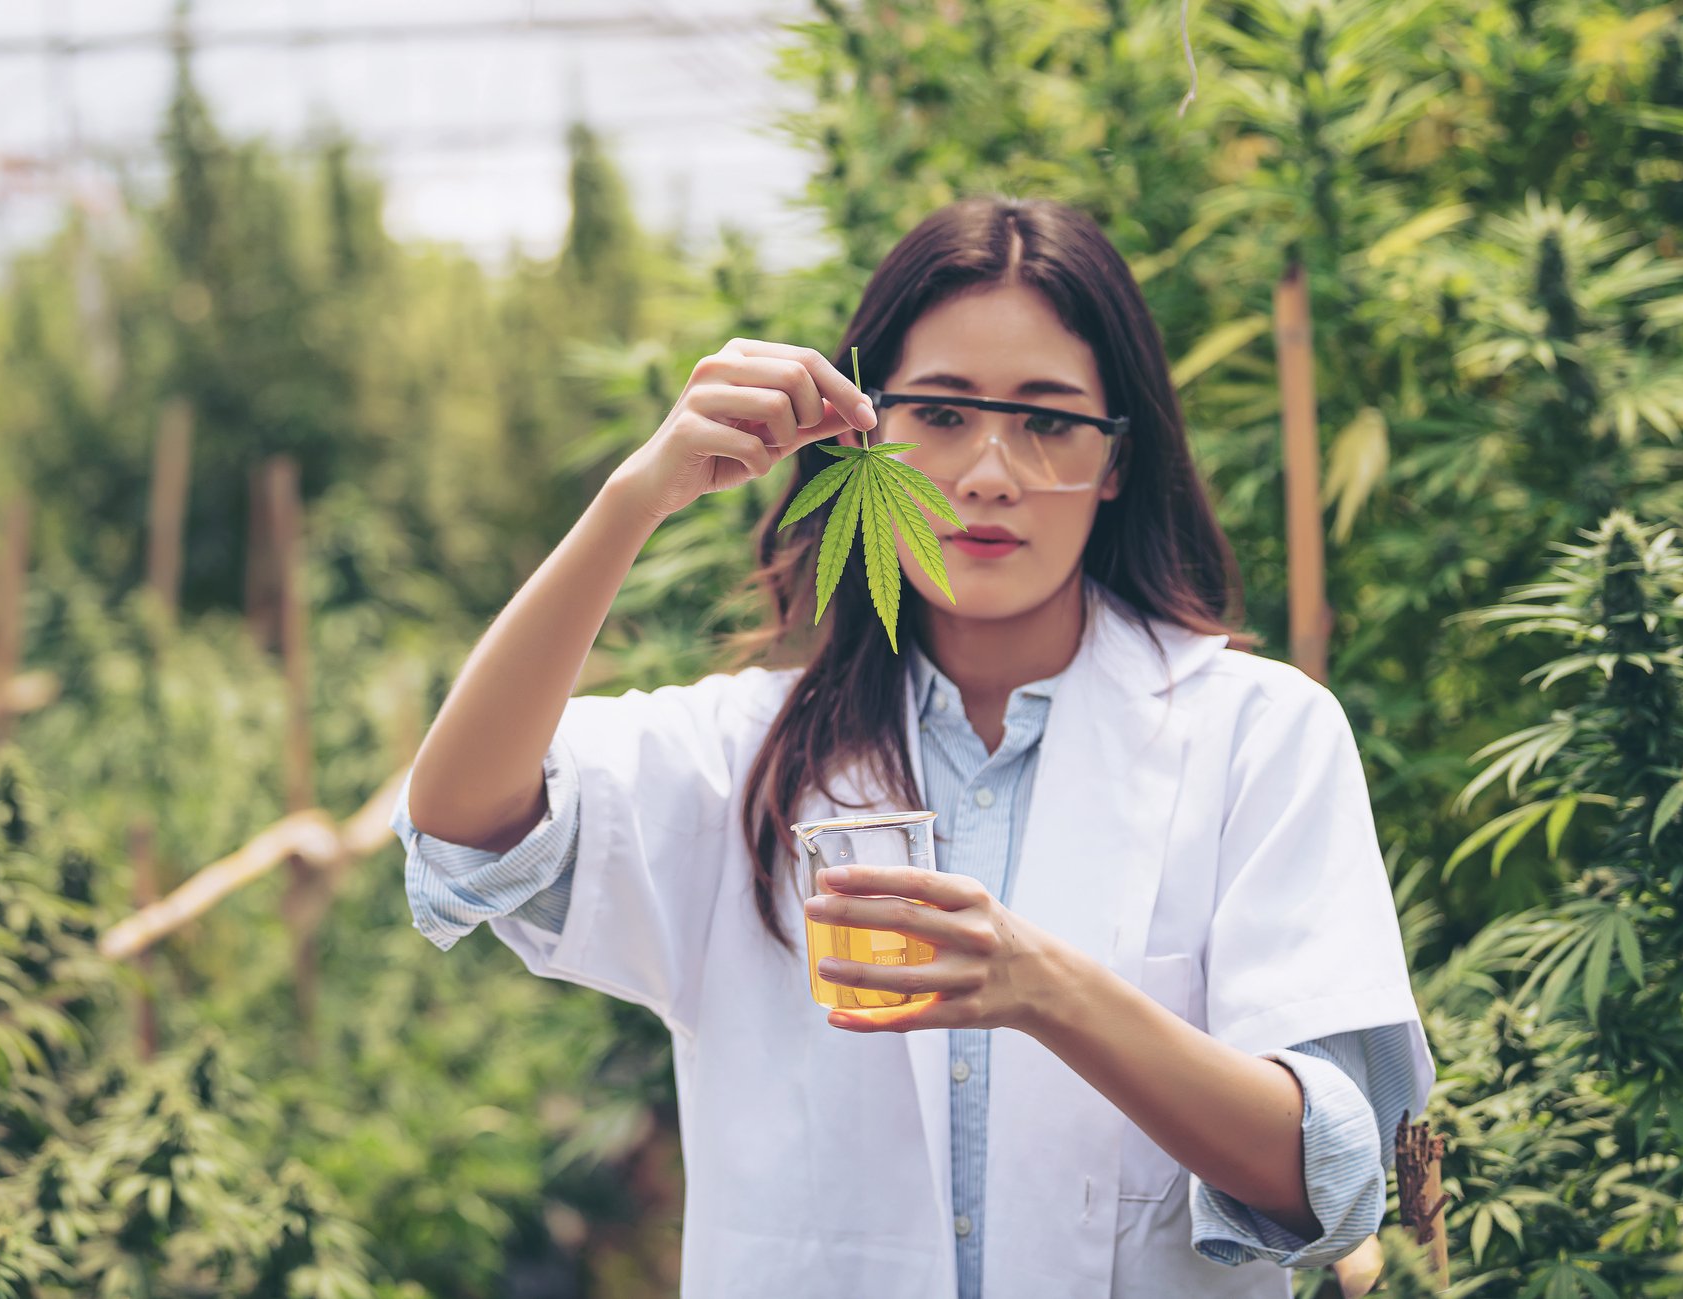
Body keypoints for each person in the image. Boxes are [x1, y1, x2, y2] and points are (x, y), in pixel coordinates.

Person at [390, 195, 1431, 1298]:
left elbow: (1322, 1179)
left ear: (1117, 459)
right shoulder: (742, 751)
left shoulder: (1255, 734)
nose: (988, 471)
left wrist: (1044, 990)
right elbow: (461, 831)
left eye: (1047, 421)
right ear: (861, 436)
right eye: (938, 414)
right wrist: (631, 499)